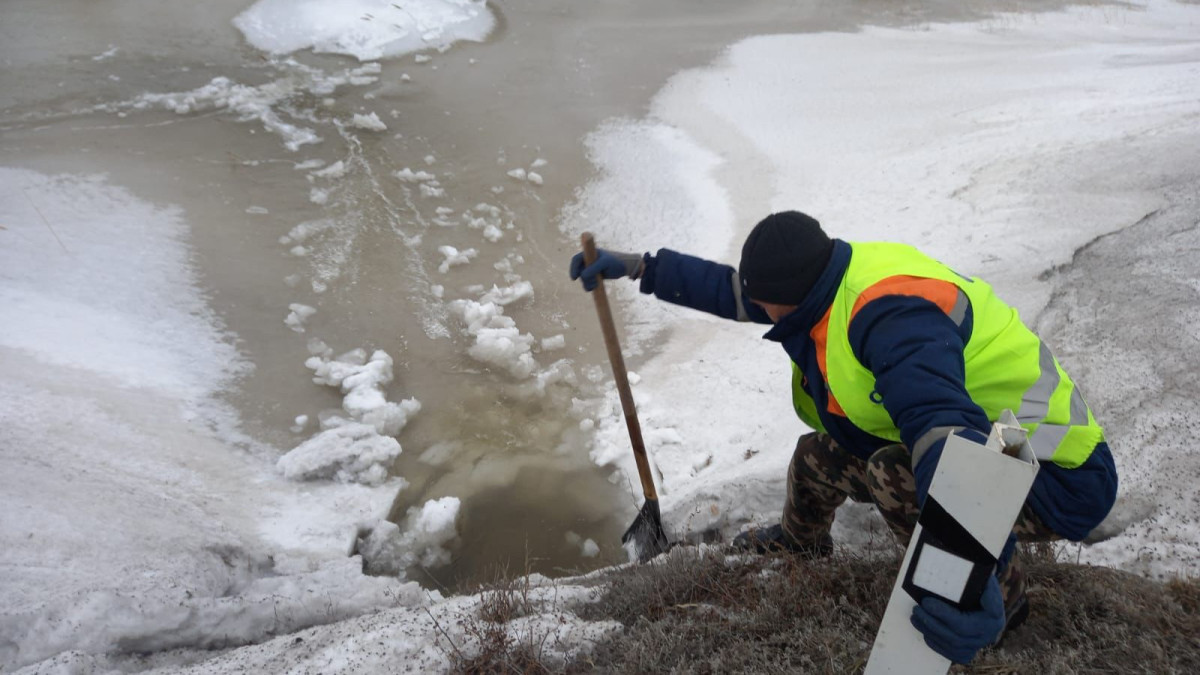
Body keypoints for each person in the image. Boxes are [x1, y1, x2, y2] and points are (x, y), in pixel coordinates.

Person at [569, 211, 1118, 665]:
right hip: (990, 443)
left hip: (1056, 475)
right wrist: (643, 268)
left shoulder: (892, 319)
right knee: (816, 456)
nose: (757, 311)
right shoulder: (822, 278)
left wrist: (970, 572)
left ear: (792, 296)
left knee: (892, 474)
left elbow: (945, 437)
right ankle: (802, 541)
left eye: (765, 303)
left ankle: (1000, 601)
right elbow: (737, 292)